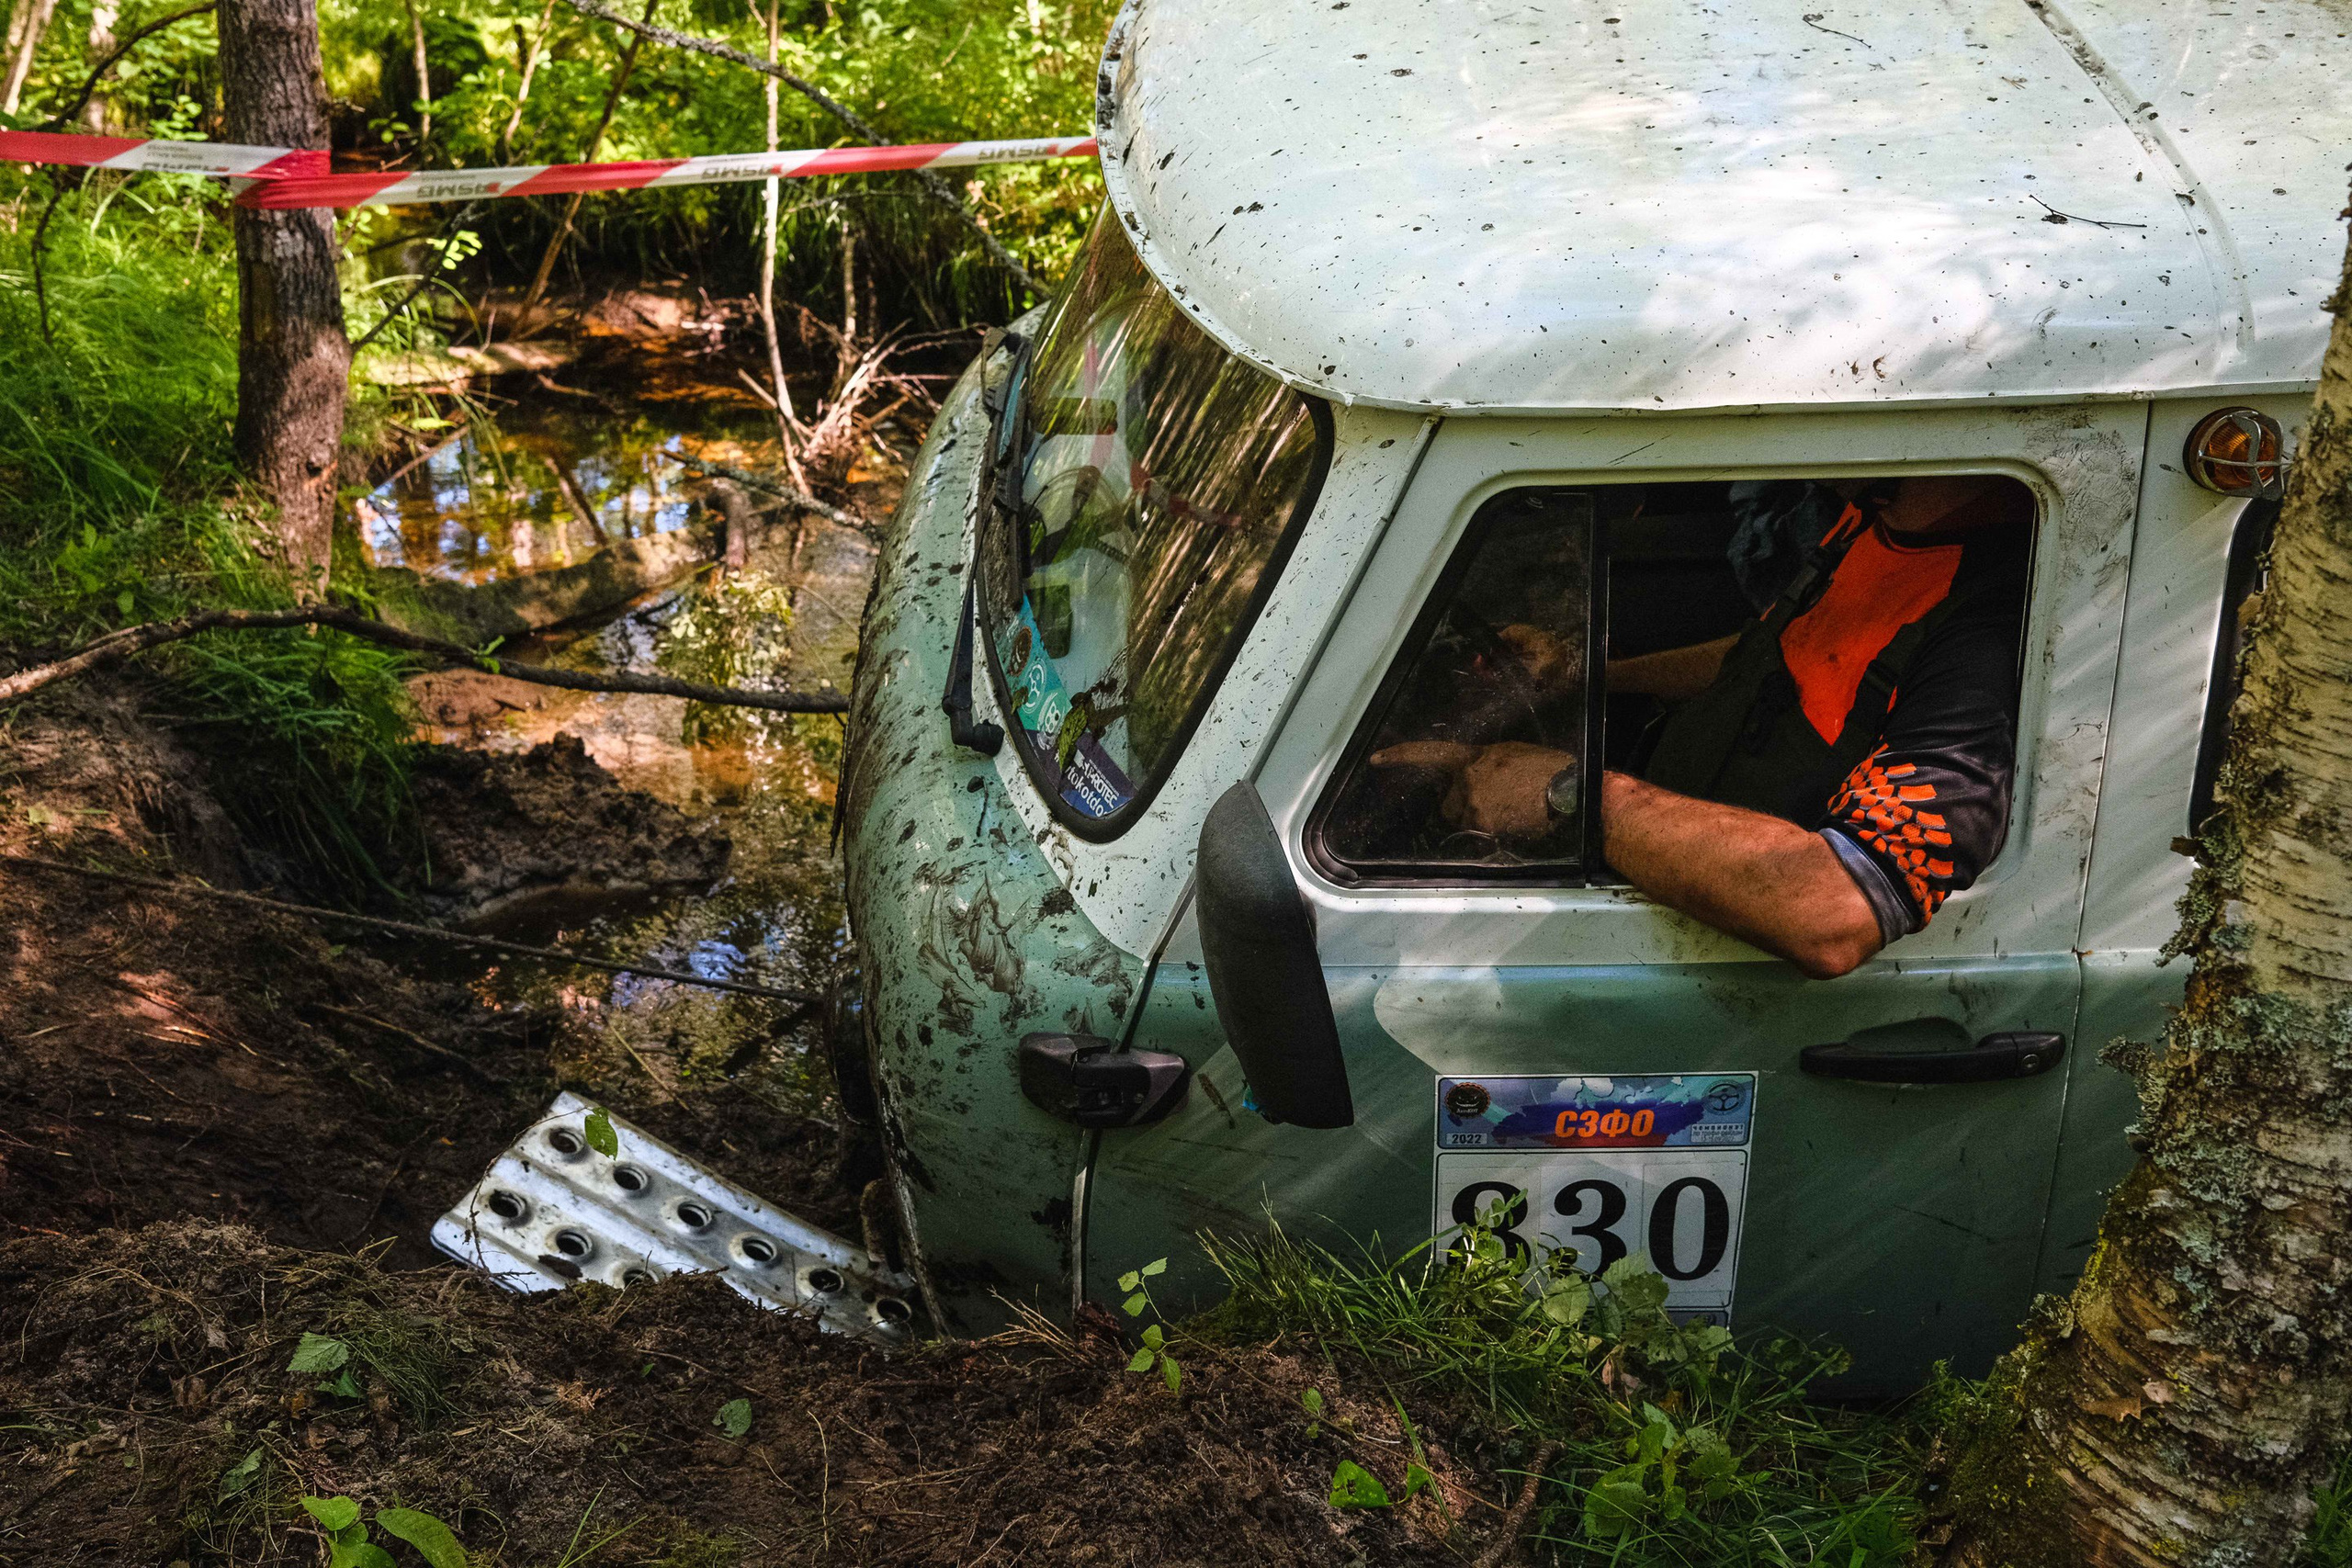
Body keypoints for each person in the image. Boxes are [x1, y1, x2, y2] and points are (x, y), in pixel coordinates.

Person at [1381, 476, 2030, 978]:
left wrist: (1569, 795)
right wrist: (1586, 673)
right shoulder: (1875, 521)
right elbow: (1768, 655)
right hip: (1670, 884)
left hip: (1735, 967)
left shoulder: (1987, 622)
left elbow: (1837, 909)